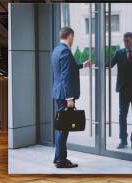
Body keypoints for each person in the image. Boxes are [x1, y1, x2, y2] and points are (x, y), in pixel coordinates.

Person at [51, 27, 91, 168]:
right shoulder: (66, 51)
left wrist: (82, 65)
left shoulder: (57, 50)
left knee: (62, 126)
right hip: (64, 94)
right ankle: (62, 160)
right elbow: (66, 76)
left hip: (58, 92)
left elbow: (64, 70)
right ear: (70, 36)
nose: (73, 40)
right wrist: (69, 98)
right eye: (73, 37)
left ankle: (58, 158)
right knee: (64, 127)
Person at [109, 32, 132, 150]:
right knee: (122, 115)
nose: (126, 43)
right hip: (123, 90)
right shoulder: (119, 53)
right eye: (124, 41)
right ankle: (123, 140)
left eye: (128, 41)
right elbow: (109, 64)